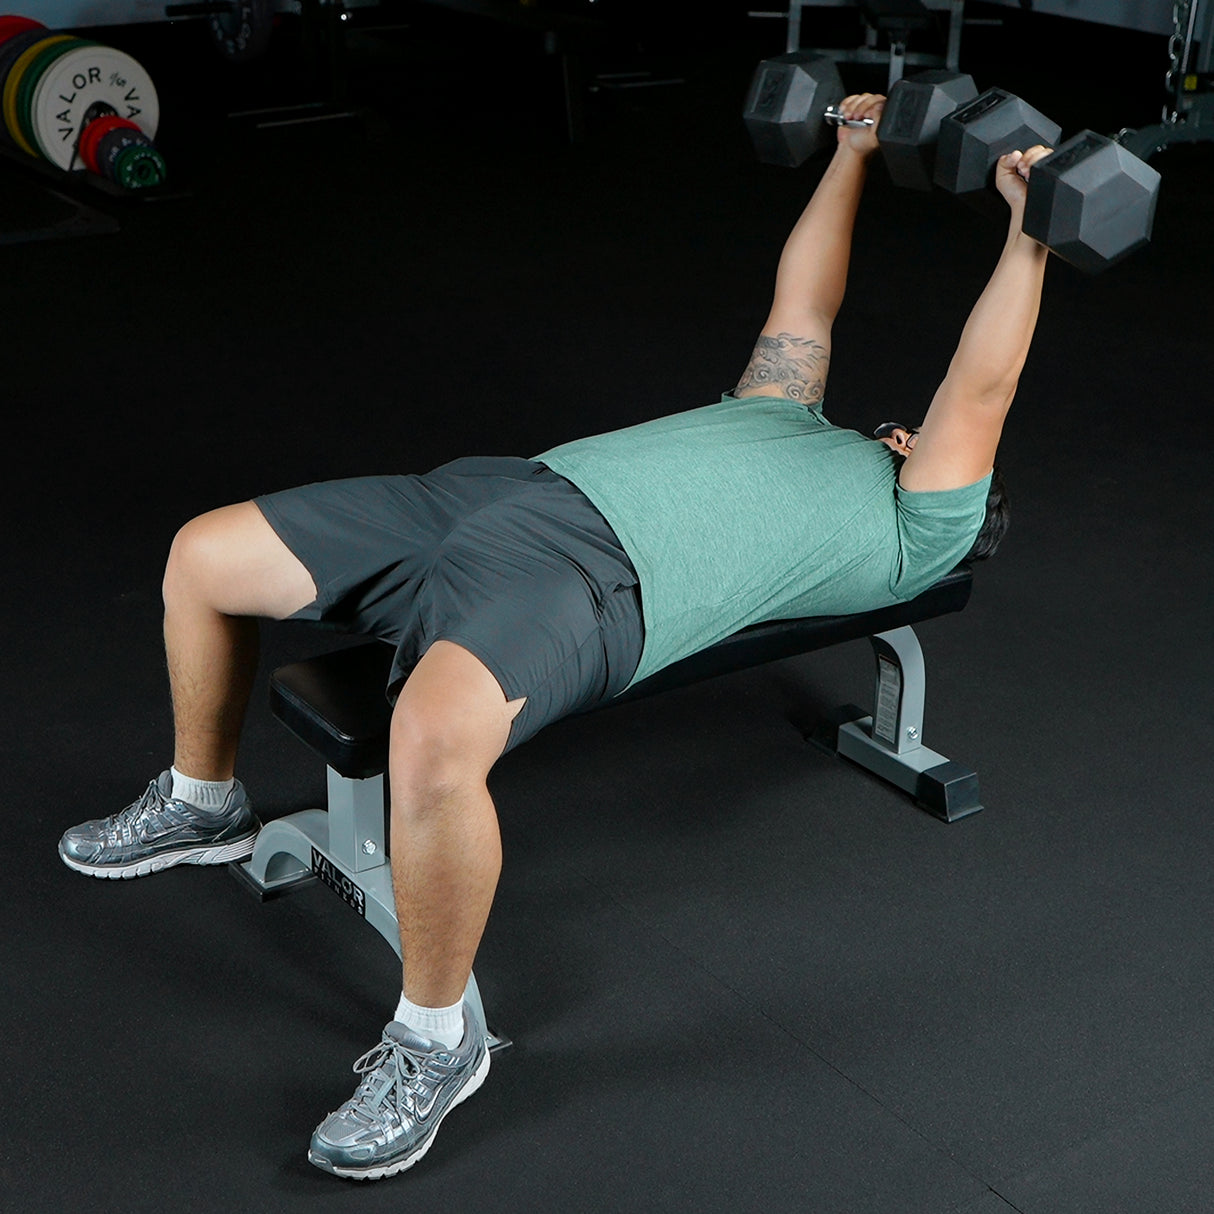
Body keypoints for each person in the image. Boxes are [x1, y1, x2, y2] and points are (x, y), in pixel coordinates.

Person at [58, 94, 1052, 1181]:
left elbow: (982, 384)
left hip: (596, 579)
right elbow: (805, 298)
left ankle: (436, 1039)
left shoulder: (915, 531)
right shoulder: (783, 411)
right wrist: (853, 150)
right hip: (497, 494)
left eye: (935, 448)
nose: (913, 428)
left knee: (431, 741)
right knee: (202, 555)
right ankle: (202, 802)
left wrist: (1029, 232)